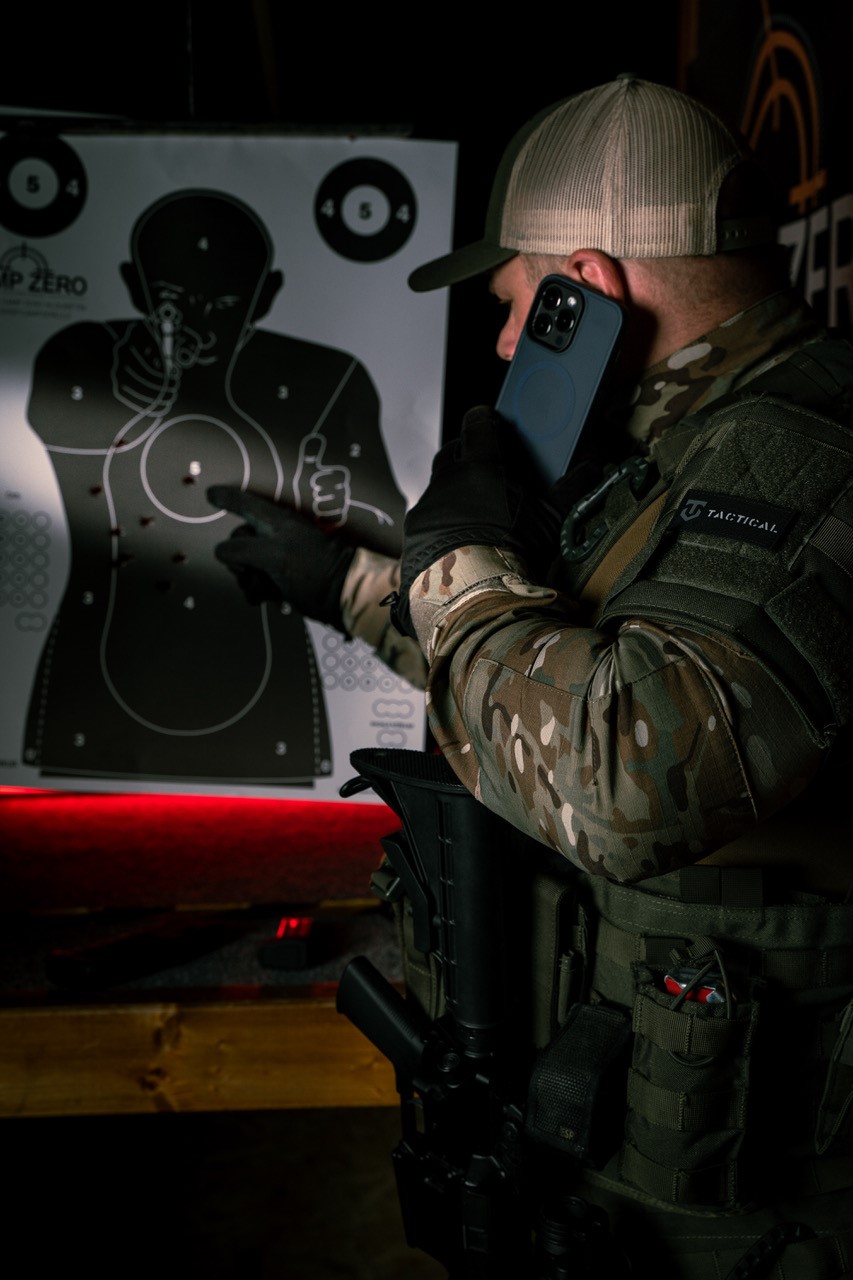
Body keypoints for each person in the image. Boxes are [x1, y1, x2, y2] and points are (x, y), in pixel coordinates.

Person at [215, 77, 853, 1276]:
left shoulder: (799, 454)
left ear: (585, 286)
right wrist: (346, 583)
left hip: (754, 1209)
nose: (508, 345)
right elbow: (543, 679)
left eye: (515, 307)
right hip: (635, 1135)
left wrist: (457, 557)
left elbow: (618, 779)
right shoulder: (683, 442)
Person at [24, 189, 405, 784]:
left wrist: (343, 517)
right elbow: (53, 406)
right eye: (173, 302)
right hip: (102, 671)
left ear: (265, 296)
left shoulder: (328, 380)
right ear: (134, 286)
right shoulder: (85, 359)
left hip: (261, 681)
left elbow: (393, 533)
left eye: (222, 305)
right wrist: (112, 395)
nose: (197, 325)